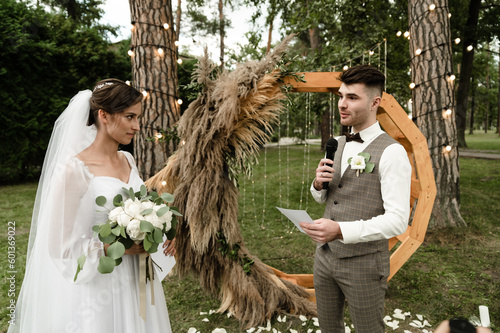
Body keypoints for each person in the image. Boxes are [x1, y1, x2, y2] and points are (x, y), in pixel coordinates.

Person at [9, 79, 175, 333]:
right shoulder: (75, 170)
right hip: (101, 287)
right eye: (130, 117)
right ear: (104, 115)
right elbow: (58, 247)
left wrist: (160, 230)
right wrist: (112, 248)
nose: (137, 126)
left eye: (138, 117)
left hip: (137, 278)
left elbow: (141, 208)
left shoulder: (128, 160)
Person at [300, 65, 412, 333]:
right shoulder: (337, 142)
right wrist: (318, 184)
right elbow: (324, 198)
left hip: (364, 263)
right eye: (340, 96)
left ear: (375, 102)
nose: (342, 104)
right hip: (324, 258)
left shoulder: (392, 152)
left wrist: (339, 230)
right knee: (329, 327)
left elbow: (398, 222)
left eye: (352, 97)